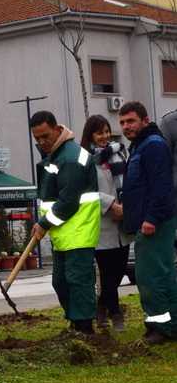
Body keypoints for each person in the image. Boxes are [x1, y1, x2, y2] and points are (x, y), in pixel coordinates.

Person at [30, 110, 100, 334]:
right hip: (64, 233)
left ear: (58, 130)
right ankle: (75, 323)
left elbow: (68, 202)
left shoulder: (70, 158)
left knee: (78, 282)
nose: (41, 143)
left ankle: (84, 327)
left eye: (45, 136)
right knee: (61, 282)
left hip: (78, 231)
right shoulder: (57, 154)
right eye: (37, 139)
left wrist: (43, 223)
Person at [119, 100, 177, 344]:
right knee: (164, 275)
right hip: (152, 221)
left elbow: (161, 186)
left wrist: (151, 218)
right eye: (122, 122)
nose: (125, 126)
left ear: (144, 121)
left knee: (150, 278)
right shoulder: (141, 145)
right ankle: (171, 325)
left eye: (130, 121)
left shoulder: (152, 145)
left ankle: (159, 327)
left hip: (155, 223)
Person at [80, 115, 132, 332]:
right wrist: (112, 205)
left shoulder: (120, 152)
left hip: (123, 222)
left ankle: (100, 309)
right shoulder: (83, 159)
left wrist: (125, 207)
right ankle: (116, 316)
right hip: (102, 225)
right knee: (108, 273)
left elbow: (130, 181)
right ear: (90, 135)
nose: (105, 136)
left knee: (119, 271)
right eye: (100, 132)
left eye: (107, 131)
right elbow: (85, 191)